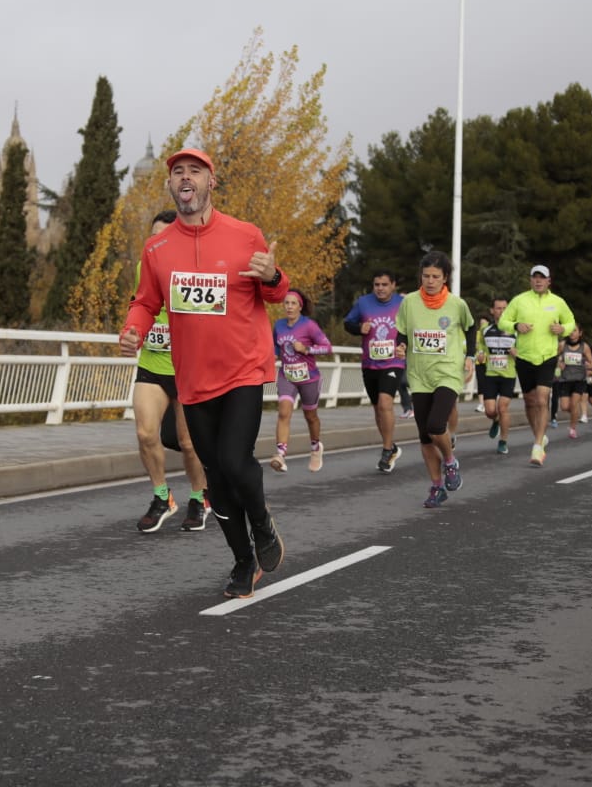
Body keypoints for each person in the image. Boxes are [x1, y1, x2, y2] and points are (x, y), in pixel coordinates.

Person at [119, 148, 287, 600]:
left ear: (211, 183)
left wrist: (273, 277)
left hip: (243, 369)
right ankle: (242, 560)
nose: (185, 177)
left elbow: (276, 293)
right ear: (171, 186)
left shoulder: (244, 234)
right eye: (178, 172)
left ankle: (264, 524)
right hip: (192, 377)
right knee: (215, 476)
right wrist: (133, 330)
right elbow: (145, 302)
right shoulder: (157, 248)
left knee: (235, 461)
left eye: (195, 171)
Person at [131, 210, 211, 533]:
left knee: (188, 443)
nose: (156, 243)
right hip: (152, 362)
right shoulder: (142, 267)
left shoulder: (193, 270)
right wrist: (132, 332)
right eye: (153, 237)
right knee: (145, 433)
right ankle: (162, 497)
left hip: (187, 368)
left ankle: (198, 497)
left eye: (162, 237)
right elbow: (138, 307)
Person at [394, 251, 476, 508]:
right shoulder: (409, 302)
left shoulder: (456, 304)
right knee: (425, 436)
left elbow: (470, 327)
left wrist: (470, 356)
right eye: (426, 275)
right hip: (420, 374)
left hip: (448, 370)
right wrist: (401, 345)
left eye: (435, 276)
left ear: (445, 278)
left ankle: (450, 461)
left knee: (436, 424)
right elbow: (402, 332)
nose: (430, 281)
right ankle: (437, 486)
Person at [499, 265, 575, 467]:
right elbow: (503, 322)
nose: (538, 281)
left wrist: (562, 329)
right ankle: (539, 437)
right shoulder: (520, 300)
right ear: (530, 280)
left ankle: (537, 445)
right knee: (530, 401)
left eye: (542, 278)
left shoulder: (557, 302)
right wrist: (516, 326)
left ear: (549, 281)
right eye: (535, 277)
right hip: (524, 356)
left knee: (542, 399)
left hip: (547, 356)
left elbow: (570, 323)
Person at [344, 270, 407, 473]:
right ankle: (392, 446)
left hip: (393, 362)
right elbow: (348, 323)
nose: (380, 288)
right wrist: (359, 328)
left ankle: (387, 450)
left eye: (384, 284)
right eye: (377, 285)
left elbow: (410, 328)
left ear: (393, 285)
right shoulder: (363, 302)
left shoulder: (403, 304)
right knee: (377, 409)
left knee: (385, 402)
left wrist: (403, 345)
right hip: (369, 363)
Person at [271, 289, 332, 473]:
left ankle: (315, 447)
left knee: (310, 416)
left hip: (309, 377)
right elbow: (275, 348)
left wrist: (306, 349)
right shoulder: (279, 325)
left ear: (300, 306)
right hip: (286, 375)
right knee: (283, 412)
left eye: (293, 303)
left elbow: (327, 348)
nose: (289, 307)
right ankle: (280, 454)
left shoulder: (309, 326)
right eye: (286, 303)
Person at [478, 296, 517, 454]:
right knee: (490, 411)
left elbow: (524, 352)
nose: (501, 311)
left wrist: (517, 353)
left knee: (503, 408)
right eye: (498, 308)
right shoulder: (485, 330)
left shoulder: (515, 331)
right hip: (491, 374)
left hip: (508, 375)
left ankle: (503, 441)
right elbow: (481, 347)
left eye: (504, 308)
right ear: (492, 311)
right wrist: (480, 354)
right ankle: (495, 420)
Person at [557, 327, 592, 439]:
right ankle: (576, 414)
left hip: (579, 379)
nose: (572, 333)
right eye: (570, 331)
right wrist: (559, 362)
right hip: (565, 379)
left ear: (580, 333)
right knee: (564, 406)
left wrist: (589, 365)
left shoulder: (584, 346)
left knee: (574, 404)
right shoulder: (562, 345)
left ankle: (572, 428)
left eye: (575, 330)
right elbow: (554, 356)